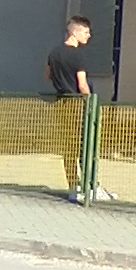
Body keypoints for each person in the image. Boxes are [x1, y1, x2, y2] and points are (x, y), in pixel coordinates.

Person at [45, 16, 111, 204]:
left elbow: (47, 75)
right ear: (74, 32)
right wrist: (90, 101)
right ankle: (92, 187)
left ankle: (73, 187)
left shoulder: (54, 53)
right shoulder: (78, 55)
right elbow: (82, 84)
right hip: (78, 105)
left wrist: (61, 81)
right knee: (85, 146)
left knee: (68, 147)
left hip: (61, 103)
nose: (88, 36)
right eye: (85, 32)